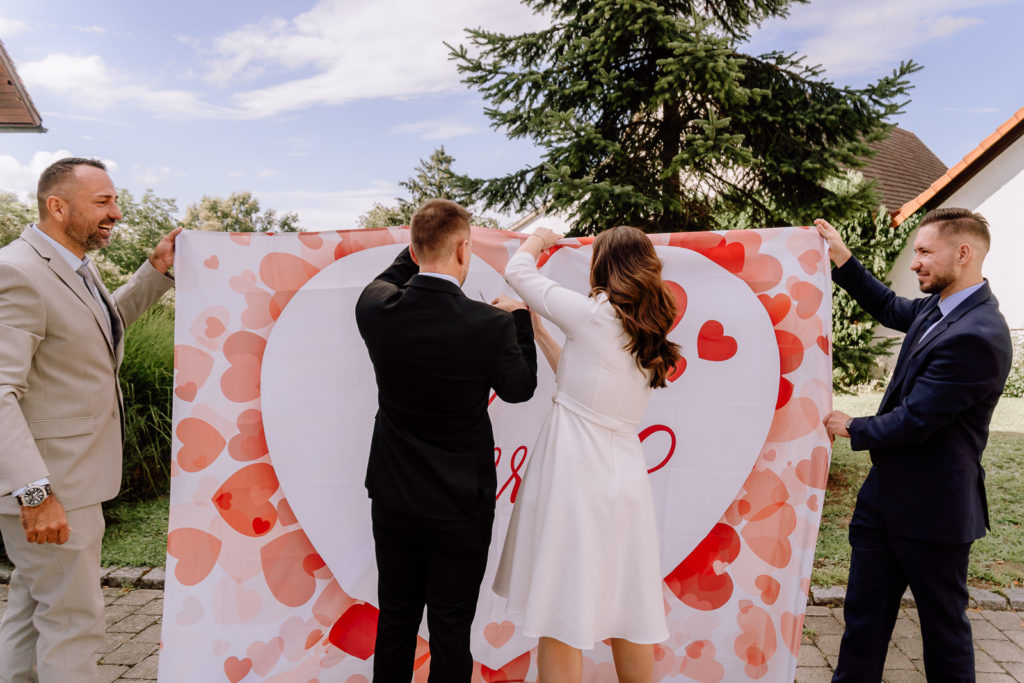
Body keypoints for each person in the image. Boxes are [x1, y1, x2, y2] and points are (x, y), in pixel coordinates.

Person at [0, 157, 181, 682]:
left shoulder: (71, 264)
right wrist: (35, 495)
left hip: (71, 483)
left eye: (114, 200)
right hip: (53, 488)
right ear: (57, 206)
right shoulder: (18, 271)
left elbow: (101, 329)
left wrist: (157, 271)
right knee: (74, 622)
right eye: (102, 202)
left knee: (33, 617)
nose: (116, 213)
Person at [815, 210, 1012, 682]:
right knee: (862, 625)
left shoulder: (978, 334)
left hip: (935, 515)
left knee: (943, 637)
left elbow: (918, 419)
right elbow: (887, 306)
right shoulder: (936, 306)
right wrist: (842, 257)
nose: (916, 263)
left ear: (963, 254)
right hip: (882, 504)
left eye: (925, 252)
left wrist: (851, 426)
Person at [354, 198, 537, 682]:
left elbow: (395, 273)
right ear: (463, 250)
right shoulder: (491, 324)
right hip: (462, 502)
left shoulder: (375, 306)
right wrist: (519, 317)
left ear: (413, 250)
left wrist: (420, 242)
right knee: (451, 629)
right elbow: (520, 390)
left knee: (395, 620)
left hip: (393, 494)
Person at [493, 225, 680, 683]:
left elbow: (516, 271)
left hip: (576, 474)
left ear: (604, 266)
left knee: (561, 609)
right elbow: (580, 384)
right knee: (628, 610)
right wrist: (538, 330)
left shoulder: (591, 314)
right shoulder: (645, 327)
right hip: (625, 477)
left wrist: (538, 240)